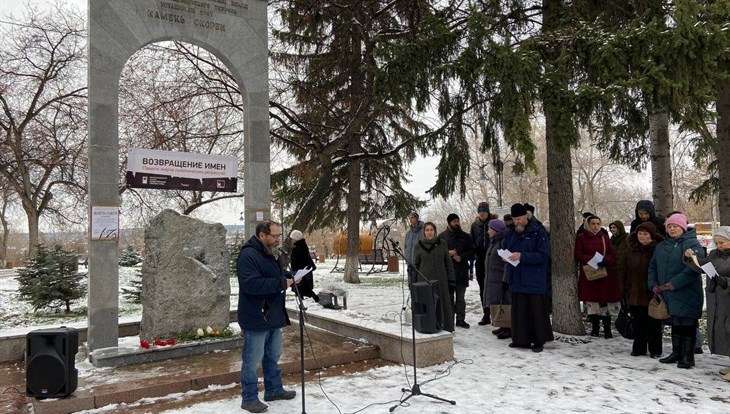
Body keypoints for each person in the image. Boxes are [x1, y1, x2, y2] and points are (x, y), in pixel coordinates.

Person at [237, 221, 297, 412]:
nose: (278, 239)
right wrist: (281, 283)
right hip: (256, 316)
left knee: (273, 355)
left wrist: (292, 276)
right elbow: (251, 284)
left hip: (272, 314)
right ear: (262, 235)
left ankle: (273, 389)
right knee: (252, 361)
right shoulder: (248, 255)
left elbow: (274, 274)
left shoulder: (270, 252)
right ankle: (249, 398)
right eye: (275, 236)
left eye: (279, 235)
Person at [648, 213, 704, 369]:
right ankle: (676, 353)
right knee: (676, 324)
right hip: (667, 293)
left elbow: (693, 268)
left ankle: (687, 357)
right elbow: (652, 266)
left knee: (687, 324)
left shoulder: (692, 244)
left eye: (675, 226)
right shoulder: (661, 246)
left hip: (687, 292)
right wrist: (653, 284)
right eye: (669, 226)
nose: (672, 229)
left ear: (683, 228)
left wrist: (674, 284)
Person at [502, 203, 553, 352]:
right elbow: (505, 248)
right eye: (514, 219)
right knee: (520, 311)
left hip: (534, 279)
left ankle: (539, 340)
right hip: (517, 277)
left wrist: (522, 256)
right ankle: (521, 339)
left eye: (519, 218)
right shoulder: (510, 233)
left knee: (536, 311)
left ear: (526, 216)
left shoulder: (538, 232)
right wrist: (505, 256)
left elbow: (543, 256)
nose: (517, 222)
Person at [684, 226, 730, 378]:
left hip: (727, 297)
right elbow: (703, 266)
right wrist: (691, 258)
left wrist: (725, 281)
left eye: (722, 243)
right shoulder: (714, 254)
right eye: (716, 243)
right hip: (716, 299)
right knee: (722, 330)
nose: (719, 246)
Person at [618, 222, 664, 357]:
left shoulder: (657, 249)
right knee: (638, 322)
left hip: (651, 292)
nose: (642, 237)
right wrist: (622, 289)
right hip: (633, 291)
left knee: (654, 323)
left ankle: (655, 349)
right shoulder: (630, 249)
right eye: (640, 233)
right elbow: (621, 270)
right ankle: (639, 348)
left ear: (651, 236)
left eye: (645, 234)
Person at [576, 215, 621, 338]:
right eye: (593, 224)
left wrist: (606, 260)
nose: (595, 226)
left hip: (605, 273)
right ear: (588, 225)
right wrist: (591, 260)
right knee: (592, 301)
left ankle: (607, 329)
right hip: (590, 273)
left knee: (605, 301)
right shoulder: (581, 238)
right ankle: (595, 327)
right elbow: (579, 254)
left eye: (598, 224)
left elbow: (612, 253)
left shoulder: (604, 237)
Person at [412, 222, 456, 332]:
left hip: (441, 280)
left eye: (431, 230)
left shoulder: (442, 244)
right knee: (428, 305)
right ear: (424, 232)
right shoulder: (419, 245)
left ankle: (446, 327)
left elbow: (448, 263)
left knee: (443, 304)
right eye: (427, 230)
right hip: (424, 281)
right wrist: (412, 282)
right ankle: (429, 327)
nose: (429, 232)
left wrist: (451, 280)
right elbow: (415, 265)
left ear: (435, 231)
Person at [439, 213, 475, 329]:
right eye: (454, 221)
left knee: (460, 298)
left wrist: (461, 257)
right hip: (447, 273)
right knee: (448, 299)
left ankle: (460, 319)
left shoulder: (465, 236)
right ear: (449, 223)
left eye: (458, 221)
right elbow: (437, 255)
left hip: (461, 272)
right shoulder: (441, 237)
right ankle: (449, 320)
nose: (457, 223)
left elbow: (472, 252)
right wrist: (447, 253)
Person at [483, 219, 510, 339]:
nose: (488, 231)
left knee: (504, 302)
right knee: (498, 302)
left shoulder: (503, 242)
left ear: (495, 230)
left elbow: (508, 261)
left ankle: (509, 328)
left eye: (489, 228)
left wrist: (505, 279)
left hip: (500, 279)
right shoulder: (494, 242)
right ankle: (503, 325)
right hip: (492, 278)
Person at [471, 201, 491, 326]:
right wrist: (475, 251)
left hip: (492, 258)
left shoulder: (493, 223)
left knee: (494, 287)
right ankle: (486, 313)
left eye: (484, 211)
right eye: (480, 211)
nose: (482, 213)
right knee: (482, 287)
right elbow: (472, 240)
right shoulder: (475, 225)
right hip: (480, 258)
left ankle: (496, 313)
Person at [289, 229, 319, 303]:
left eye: (292, 238)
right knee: (301, 289)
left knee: (303, 288)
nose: (291, 240)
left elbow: (297, 260)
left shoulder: (298, 247)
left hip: (301, 271)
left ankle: (316, 299)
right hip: (303, 271)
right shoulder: (301, 246)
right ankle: (301, 300)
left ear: (295, 238)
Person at [404, 212, 424, 284]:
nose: (410, 220)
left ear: (417, 218)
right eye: (409, 218)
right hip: (410, 264)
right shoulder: (408, 234)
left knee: (419, 285)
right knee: (411, 284)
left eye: (412, 218)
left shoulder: (423, 232)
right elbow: (406, 247)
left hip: (420, 264)